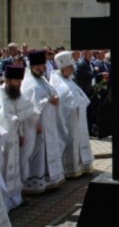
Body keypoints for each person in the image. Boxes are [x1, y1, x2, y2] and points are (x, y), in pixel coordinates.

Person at [20, 50, 66, 194]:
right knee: (38, 155)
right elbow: (29, 107)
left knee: (47, 152)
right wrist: (36, 124)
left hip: (49, 125)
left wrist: (55, 97)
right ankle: (33, 184)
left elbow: (51, 91)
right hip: (37, 125)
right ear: (33, 66)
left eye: (43, 65)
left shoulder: (42, 79)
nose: (42, 68)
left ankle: (48, 180)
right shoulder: (29, 83)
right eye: (39, 66)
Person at [50, 51, 94, 178]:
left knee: (80, 139)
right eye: (70, 68)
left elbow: (79, 95)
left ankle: (82, 165)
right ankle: (70, 168)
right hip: (68, 119)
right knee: (72, 140)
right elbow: (61, 99)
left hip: (79, 117)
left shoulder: (69, 80)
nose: (72, 70)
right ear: (63, 68)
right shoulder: (56, 82)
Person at [0, 65, 36, 211]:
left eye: (20, 81)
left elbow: (26, 108)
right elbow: (5, 116)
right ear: (8, 80)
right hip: (4, 139)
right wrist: (17, 119)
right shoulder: (1, 94)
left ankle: (16, 199)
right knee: (6, 169)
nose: (19, 84)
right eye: (17, 81)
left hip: (15, 135)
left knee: (16, 169)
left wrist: (21, 133)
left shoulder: (15, 93)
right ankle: (5, 203)